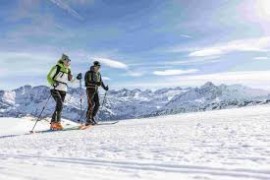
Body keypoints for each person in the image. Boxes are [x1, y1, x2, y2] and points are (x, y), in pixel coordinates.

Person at [47, 54, 82, 130]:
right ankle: (57, 123)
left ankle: (53, 123)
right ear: (63, 60)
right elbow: (49, 77)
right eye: (67, 60)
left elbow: (71, 80)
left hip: (64, 90)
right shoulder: (57, 67)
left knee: (60, 106)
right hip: (55, 88)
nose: (68, 62)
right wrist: (53, 82)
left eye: (69, 61)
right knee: (59, 104)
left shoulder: (68, 70)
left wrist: (77, 78)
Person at [84, 61, 109, 126]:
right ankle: (88, 119)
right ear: (94, 66)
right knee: (91, 104)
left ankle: (92, 117)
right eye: (97, 66)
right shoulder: (88, 73)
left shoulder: (98, 73)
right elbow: (87, 83)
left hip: (96, 90)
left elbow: (100, 82)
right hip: (90, 90)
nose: (98, 68)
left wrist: (104, 88)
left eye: (99, 67)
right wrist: (95, 83)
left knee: (97, 104)